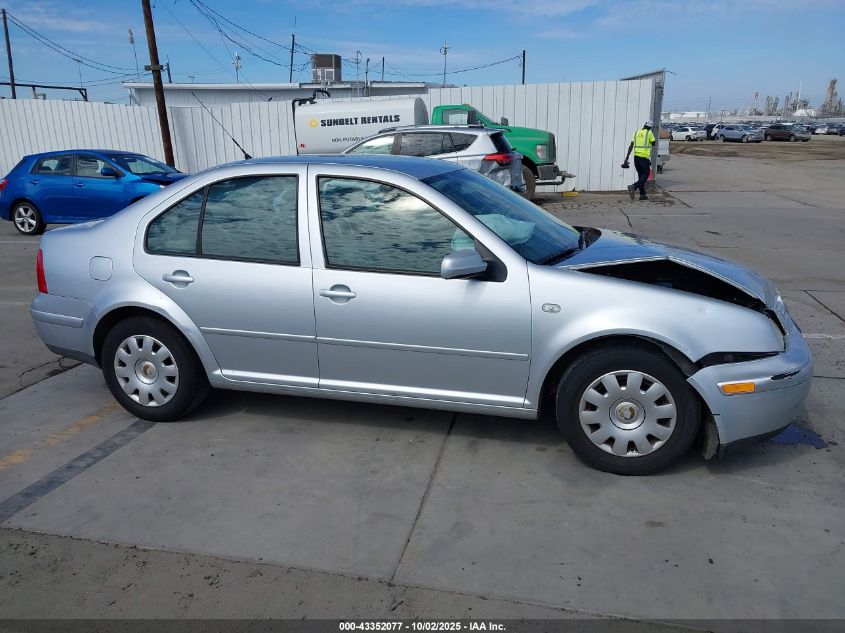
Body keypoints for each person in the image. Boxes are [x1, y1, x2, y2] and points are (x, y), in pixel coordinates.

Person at [623, 120, 656, 200]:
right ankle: (633, 187)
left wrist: (627, 157)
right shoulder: (649, 133)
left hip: (636, 158)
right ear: (650, 127)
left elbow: (631, 145)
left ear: (644, 125)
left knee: (641, 175)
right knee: (646, 174)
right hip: (644, 157)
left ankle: (642, 194)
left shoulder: (636, 132)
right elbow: (654, 143)